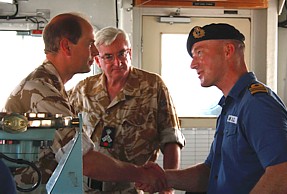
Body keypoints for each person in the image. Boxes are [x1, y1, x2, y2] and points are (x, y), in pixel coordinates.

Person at [3, 12, 168, 193]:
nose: (96, 51)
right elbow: (84, 160)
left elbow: (169, 137)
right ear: (66, 46)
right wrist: (141, 174)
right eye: (90, 44)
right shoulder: (42, 92)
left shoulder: (51, 87)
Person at [137, 23, 287, 194]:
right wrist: (163, 177)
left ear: (228, 51)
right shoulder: (231, 105)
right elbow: (209, 173)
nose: (193, 64)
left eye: (199, 53)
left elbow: (284, 176)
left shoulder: (257, 104)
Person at [67, 26, 186, 193]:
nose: (118, 62)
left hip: (135, 188)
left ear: (129, 52)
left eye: (122, 53)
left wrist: (168, 186)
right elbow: (64, 130)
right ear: (97, 61)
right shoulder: (83, 90)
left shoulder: (152, 86)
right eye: (108, 57)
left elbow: (171, 137)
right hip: (88, 188)